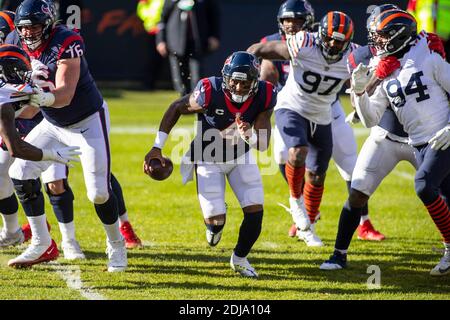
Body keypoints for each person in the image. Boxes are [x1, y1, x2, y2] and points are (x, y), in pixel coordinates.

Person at [5, 0, 127, 272]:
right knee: (20, 172)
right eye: (24, 28)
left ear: (48, 24)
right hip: (52, 124)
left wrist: (42, 97)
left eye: (34, 27)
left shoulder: (66, 40)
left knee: (98, 193)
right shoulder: (14, 40)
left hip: (86, 121)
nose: (28, 33)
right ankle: (41, 242)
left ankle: (116, 244)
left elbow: (65, 94)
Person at [328, 8, 450, 276]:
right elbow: (370, 117)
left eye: (381, 36)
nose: (376, 43)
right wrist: (358, 91)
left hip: (432, 138)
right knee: (358, 191)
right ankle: (339, 254)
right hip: (389, 137)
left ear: (398, 35)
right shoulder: (376, 64)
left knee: (438, 192)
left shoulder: (426, 52)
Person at [260, 0, 384, 245]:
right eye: (286, 20)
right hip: (293, 106)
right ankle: (305, 213)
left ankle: (363, 221)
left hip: (327, 109)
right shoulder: (286, 42)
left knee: (350, 165)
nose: (290, 25)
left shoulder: (328, 41)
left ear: (308, 23)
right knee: (285, 157)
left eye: (296, 21)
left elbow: (362, 78)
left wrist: (362, 100)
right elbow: (266, 73)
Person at [143, 51, 276, 278]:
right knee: (215, 224)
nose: (239, 87)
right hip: (208, 159)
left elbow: (263, 145)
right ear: (226, 78)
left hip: (240, 158)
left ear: (255, 82)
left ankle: (240, 258)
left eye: (245, 83)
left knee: (255, 211)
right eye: (234, 81)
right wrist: (157, 146)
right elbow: (177, 107)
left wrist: (249, 136)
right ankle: (215, 221)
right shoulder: (209, 91)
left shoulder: (265, 94)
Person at [248, 11, 358, 245]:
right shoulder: (304, 43)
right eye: (329, 38)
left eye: (339, 41)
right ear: (319, 34)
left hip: (322, 114)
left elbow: (364, 82)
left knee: (317, 175)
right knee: (297, 152)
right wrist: (245, 62)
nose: (333, 44)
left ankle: (307, 226)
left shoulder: (353, 57)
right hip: (292, 107)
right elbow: (260, 49)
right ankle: (295, 202)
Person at [0, 44, 81, 252]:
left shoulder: (34, 69)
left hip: (48, 127)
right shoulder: (5, 98)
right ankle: (19, 234)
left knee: (55, 180)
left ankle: (69, 241)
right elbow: (16, 148)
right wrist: (52, 154)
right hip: (19, 127)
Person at [156, 0, 220, 96]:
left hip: (196, 43)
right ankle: (183, 101)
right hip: (175, 44)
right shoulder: (171, 1)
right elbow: (162, 21)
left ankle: (198, 101)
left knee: (197, 75)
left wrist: (214, 36)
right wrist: (160, 41)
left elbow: (214, 17)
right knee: (179, 77)